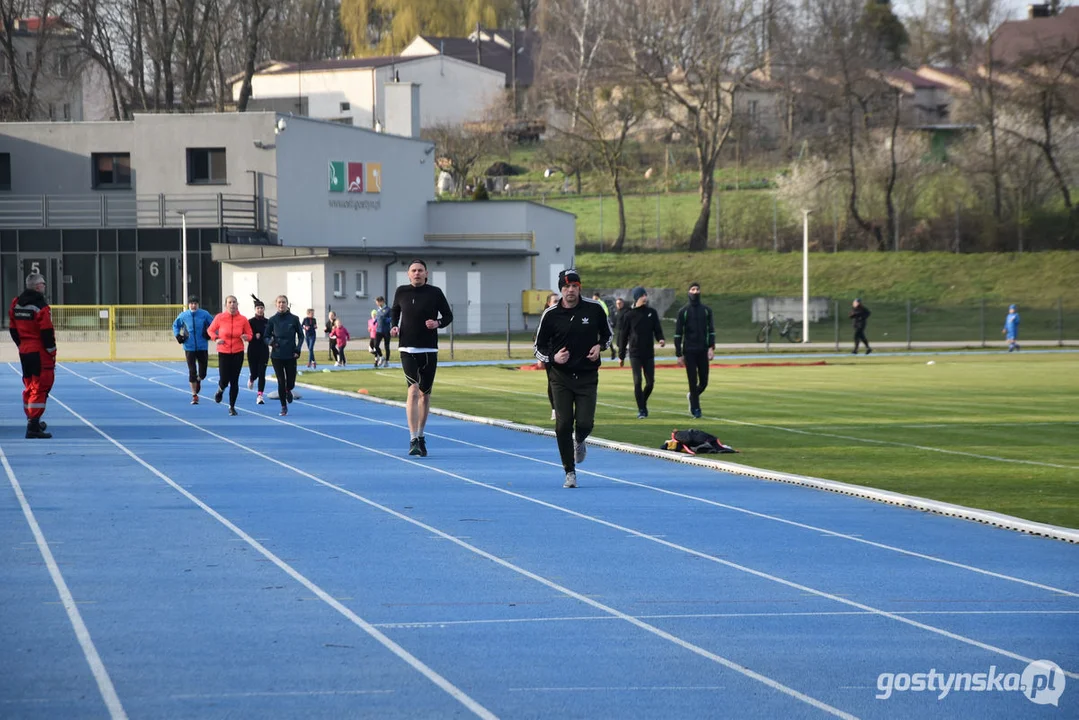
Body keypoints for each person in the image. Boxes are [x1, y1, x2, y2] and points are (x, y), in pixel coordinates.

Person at [534, 269, 612, 488]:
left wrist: (600, 346)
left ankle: (580, 440)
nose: (571, 291)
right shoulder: (550, 314)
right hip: (561, 377)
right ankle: (569, 471)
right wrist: (553, 357)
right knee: (563, 424)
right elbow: (537, 347)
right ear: (561, 289)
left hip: (587, 375)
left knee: (585, 423)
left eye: (575, 286)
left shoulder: (594, 309)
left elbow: (607, 336)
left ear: (580, 288)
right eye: (567, 287)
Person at [391, 259, 453, 457]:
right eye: (413, 270)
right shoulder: (401, 291)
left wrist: (438, 323)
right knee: (413, 390)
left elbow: (448, 316)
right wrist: (394, 325)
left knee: (425, 394)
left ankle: (420, 435)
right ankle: (412, 438)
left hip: (429, 349)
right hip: (407, 348)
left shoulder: (435, 293)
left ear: (426, 273)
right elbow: (395, 311)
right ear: (408, 274)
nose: (416, 273)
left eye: (420, 270)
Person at [9, 272, 56, 438]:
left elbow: (13, 328)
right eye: (43, 284)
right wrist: (52, 352)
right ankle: (33, 426)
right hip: (39, 351)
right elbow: (47, 332)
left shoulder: (17, 303)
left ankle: (32, 419)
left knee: (29, 385)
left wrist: (21, 344)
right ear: (37, 286)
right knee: (41, 385)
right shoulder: (41, 307)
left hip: (25, 350)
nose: (44, 286)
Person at [618, 286, 666, 419]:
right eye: (642, 295)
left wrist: (661, 339)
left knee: (650, 383)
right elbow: (623, 336)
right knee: (637, 381)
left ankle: (642, 402)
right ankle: (642, 410)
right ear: (637, 297)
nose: (645, 297)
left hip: (648, 352)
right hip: (635, 353)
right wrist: (621, 356)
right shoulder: (629, 315)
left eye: (645, 295)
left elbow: (657, 329)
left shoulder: (652, 312)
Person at [674, 282, 715, 419]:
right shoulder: (683, 311)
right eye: (693, 289)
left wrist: (711, 347)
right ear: (688, 292)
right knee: (692, 380)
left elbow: (711, 330)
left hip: (702, 350)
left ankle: (692, 396)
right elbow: (678, 334)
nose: (695, 291)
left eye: (697, 289)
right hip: (689, 351)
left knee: (704, 382)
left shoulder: (706, 311)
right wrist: (679, 354)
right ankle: (696, 409)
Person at [207, 295, 252, 416]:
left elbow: (250, 334)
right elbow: (210, 330)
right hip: (224, 351)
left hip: (238, 352)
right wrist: (216, 338)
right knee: (224, 379)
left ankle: (232, 406)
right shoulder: (220, 318)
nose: (232, 304)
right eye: (230, 302)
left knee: (234, 380)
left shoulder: (243, 319)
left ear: (237, 304)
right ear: (226, 305)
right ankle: (220, 390)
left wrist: (246, 337)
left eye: (234, 302)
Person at [265, 295, 304, 416]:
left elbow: (301, 336)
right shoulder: (272, 320)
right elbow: (265, 336)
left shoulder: (294, 319)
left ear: (287, 304)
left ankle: (288, 390)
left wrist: (297, 349)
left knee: (290, 382)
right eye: (279, 302)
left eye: (284, 302)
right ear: (276, 304)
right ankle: (283, 406)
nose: (281, 304)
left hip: (291, 354)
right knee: (281, 381)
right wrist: (271, 342)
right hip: (277, 355)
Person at [172, 295, 213, 405]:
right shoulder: (183, 315)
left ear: (198, 304)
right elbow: (175, 325)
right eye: (191, 303)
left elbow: (214, 325)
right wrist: (178, 335)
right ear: (188, 304)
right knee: (192, 371)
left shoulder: (204, 314)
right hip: (189, 347)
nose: (193, 305)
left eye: (195, 303)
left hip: (202, 346)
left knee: (203, 372)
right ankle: (194, 395)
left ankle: (199, 379)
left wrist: (209, 333)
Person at [534, 292, 560, 421]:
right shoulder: (545, 317)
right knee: (552, 382)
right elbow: (537, 338)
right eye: (555, 301)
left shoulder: (565, 315)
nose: (557, 303)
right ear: (548, 303)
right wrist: (541, 357)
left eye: (558, 300)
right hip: (550, 355)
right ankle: (555, 409)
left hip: (564, 354)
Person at [246, 295, 270, 404]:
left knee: (262, 373)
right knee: (254, 373)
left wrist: (268, 338)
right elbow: (246, 334)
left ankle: (260, 395)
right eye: (258, 308)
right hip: (252, 349)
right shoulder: (250, 321)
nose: (260, 310)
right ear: (255, 309)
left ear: (264, 309)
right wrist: (252, 336)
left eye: (261, 308)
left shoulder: (268, 322)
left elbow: (271, 334)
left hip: (264, 350)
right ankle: (251, 379)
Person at [373, 296, 392, 367]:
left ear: (382, 301)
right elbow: (378, 317)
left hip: (386, 330)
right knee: (376, 345)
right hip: (379, 330)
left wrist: (387, 320)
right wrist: (375, 321)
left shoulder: (388, 309)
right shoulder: (378, 309)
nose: (377, 304)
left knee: (386, 346)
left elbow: (391, 318)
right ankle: (381, 357)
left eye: (377, 302)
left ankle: (387, 361)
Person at [611, 296, 628, 361]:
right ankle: (626, 351)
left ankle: (621, 358)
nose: (618, 305)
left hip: (625, 330)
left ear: (622, 303)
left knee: (621, 345)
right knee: (618, 344)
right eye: (617, 303)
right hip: (619, 330)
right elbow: (615, 321)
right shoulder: (616, 312)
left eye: (620, 303)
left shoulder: (626, 311)